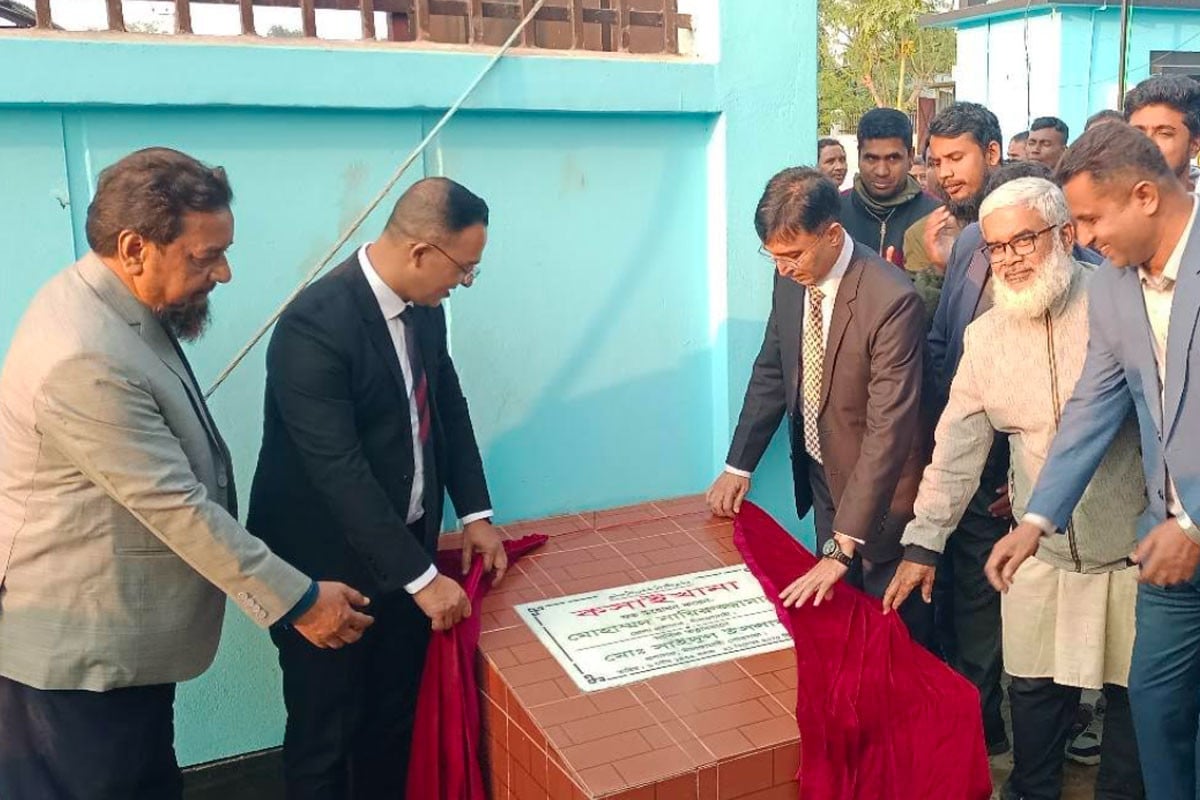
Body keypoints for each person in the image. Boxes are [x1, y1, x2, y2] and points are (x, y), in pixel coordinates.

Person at [0, 148, 371, 800]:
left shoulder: (114, 305)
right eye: (206, 256)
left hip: (124, 644)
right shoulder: (83, 354)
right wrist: (299, 601)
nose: (223, 273)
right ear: (135, 247)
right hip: (79, 663)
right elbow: (173, 505)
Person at [886, 177, 1145, 800]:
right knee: (1032, 694)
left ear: (1066, 235)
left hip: (1133, 549)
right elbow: (956, 448)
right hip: (1037, 551)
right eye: (996, 247)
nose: (1009, 259)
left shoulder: (1122, 308)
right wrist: (923, 542)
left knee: (1132, 708)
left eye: (1024, 240)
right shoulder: (986, 337)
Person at [248, 177, 507, 799]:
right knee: (327, 736)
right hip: (326, 570)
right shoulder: (314, 325)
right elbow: (337, 470)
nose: (463, 283)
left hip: (406, 552)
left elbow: (446, 406)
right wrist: (423, 580)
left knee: (393, 723)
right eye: (463, 269)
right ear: (420, 252)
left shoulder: (424, 310)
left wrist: (475, 514)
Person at [986, 121, 1200, 800]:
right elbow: (1093, 405)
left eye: (1089, 218)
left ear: (1144, 196)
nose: (1082, 236)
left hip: (1186, 533)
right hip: (1165, 550)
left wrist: (1195, 524)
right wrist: (1037, 518)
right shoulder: (1113, 286)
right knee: (1157, 714)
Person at [707, 167, 932, 646]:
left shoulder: (891, 299)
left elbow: (888, 430)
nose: (782, 268)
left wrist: (845, 544)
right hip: (824, 476)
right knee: (841, 624)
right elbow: (773, 369)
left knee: (892, 634)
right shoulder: (791, 280)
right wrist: (738, 466)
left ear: (831, 234)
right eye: (772, 256)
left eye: (792, 255)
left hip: (886, 499)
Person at [905, 102, 1004, 318]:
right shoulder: (931, 233)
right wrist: (942, 269)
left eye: (955, 158)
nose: (944, 174)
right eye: (936, 163)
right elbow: (932, 328)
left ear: (992, 153)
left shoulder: (1034, 215)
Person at [839, 108, 940, 267]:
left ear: (910, 157)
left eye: (893, 158)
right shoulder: (833, 213)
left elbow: (960, 278)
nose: (882, 171)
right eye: (871, 159)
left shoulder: (937, 216)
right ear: (859, 156)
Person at [1124, 74, 1200, 192]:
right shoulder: (1101, 198)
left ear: (1194, 145)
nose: (1147, 144)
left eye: (1164, 133)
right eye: (1137, 132)